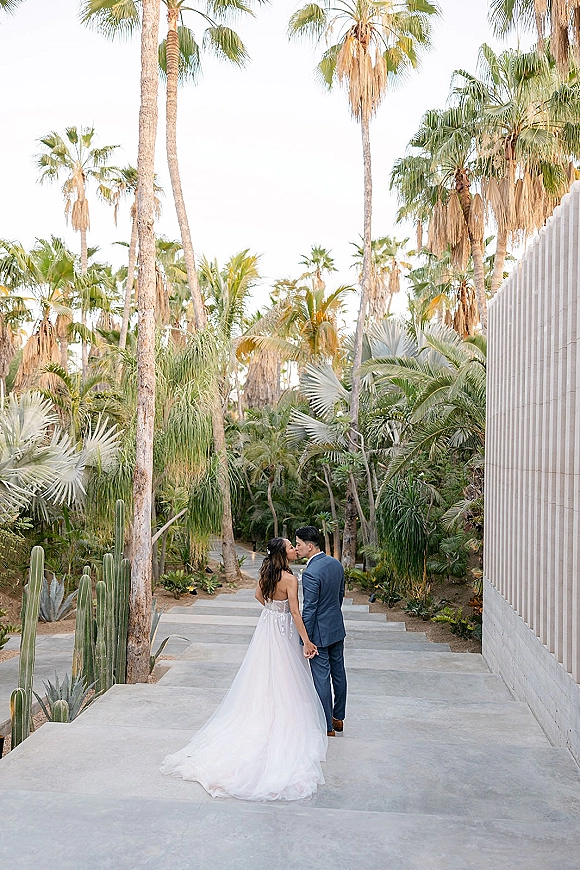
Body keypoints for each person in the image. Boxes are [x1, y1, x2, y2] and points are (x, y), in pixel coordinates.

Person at [160, 537, 328, 801]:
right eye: (290, 547)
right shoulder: (291, 580)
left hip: (267, 627)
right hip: (282, 628)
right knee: (285, 674)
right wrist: (306, 640)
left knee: (263, 672)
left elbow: (258, 596)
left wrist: (272, 611)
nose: (295, 549)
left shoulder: (267, 574)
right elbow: (295, 613)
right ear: (284, 554)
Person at [295, 526, 347, 737]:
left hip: (318, 634)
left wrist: (304, 639)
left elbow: (309, 610)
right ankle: (339, 718)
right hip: (336, 628)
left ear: (309, 546)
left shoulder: (310, 573)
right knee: (339, 673)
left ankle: (327, 727)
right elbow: (340, 596)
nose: (296, 548)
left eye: (298, 544)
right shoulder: (336, 564)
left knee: (322, 678)